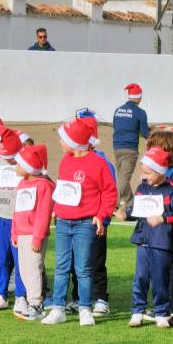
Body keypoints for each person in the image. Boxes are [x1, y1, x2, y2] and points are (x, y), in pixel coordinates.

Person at [43, 116, 117, 327]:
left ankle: (85, 307)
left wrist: (101, 216)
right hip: (64, 222)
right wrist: (56, 209)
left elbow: (109, 193)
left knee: (83, 267)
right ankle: (58, 308)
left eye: (63, 139)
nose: (60, 142)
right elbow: (63, 188)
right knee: (60, 266)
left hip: (86, 223)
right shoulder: (66, 161)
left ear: (74, 141)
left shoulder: (98, 163)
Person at [125, 147, 173, 329]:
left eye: (148, 173)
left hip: (161, 242)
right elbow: (136, 210)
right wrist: (126, 214)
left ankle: (161, 312)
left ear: (160, 172)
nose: (144, 177)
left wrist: (163, 218)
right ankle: (138, 311)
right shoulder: (142, 188)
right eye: (142, 173)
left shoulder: (171, 189)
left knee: (160, 278)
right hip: (143, 240)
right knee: (141, 276)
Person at [0, 128, 26, 312]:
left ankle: (21, 296)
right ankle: (0, 294)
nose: (8, 160)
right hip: (0, 217)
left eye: (11, 157)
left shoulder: (26, 164)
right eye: (5, 156)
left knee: (20, 260)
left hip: (20, 219)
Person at [11, 143, 54, 322]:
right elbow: (17, 211)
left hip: (33, 235)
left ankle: (36, 304)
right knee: (24, 270)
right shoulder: (22, 184)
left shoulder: (43, 186)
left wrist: (38, 237)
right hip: (21, 234)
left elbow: (44, 214)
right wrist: (14, 233)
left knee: (34, 269)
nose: (16, 166)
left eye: (19, 164)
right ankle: (31, 301)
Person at [112, 83, 150, 208]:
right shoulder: (140, 112)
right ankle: (113, 203)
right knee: (124, 178)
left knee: (122, 177)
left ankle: (130, 203)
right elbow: (145, 133)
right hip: (130, 149)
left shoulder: (118, 110)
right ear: (139, 98)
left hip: (117, 146)